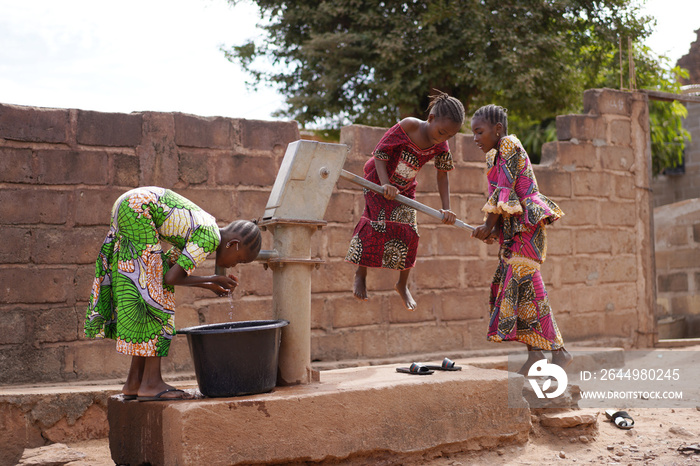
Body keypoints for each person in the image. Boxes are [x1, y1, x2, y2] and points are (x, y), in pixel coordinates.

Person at [84, 186, 262, 400]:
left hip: (130, 204)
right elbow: (171, 279)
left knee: (147, 291)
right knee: (158, 296)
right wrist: (210, 282)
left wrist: (211, 282)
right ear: (234, 245)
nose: (235, 265)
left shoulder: (203, 226)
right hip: (138, 208)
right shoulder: (210, 236)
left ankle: (134, 381)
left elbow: (167, 268)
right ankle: (151, 383)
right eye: (240, 260)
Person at [469, 104, 572, 374]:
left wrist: (487, 224)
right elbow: (500, 201)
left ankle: (559, 352)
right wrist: (491, 231)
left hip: (527, 229)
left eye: (479, 132)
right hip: (512, 231)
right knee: (519, 290)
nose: (475, 138)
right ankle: (536, 355)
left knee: (527, 285)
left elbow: (505, 190)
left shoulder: (509, 146)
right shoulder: (493, 157)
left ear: (498, 129)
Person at [346, 91, 464, 310]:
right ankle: (360, 274)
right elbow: (380, 152)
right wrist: (383, 185)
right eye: (441, 132)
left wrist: (447, 208)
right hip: (377, 178)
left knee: (410, 232)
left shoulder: (441, 146)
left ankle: (402, 284)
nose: (443, 138)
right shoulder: (409, 126)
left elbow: (443, 173)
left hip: (405, 187)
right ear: (431, 118)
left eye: (449, 136)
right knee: (376, 224)